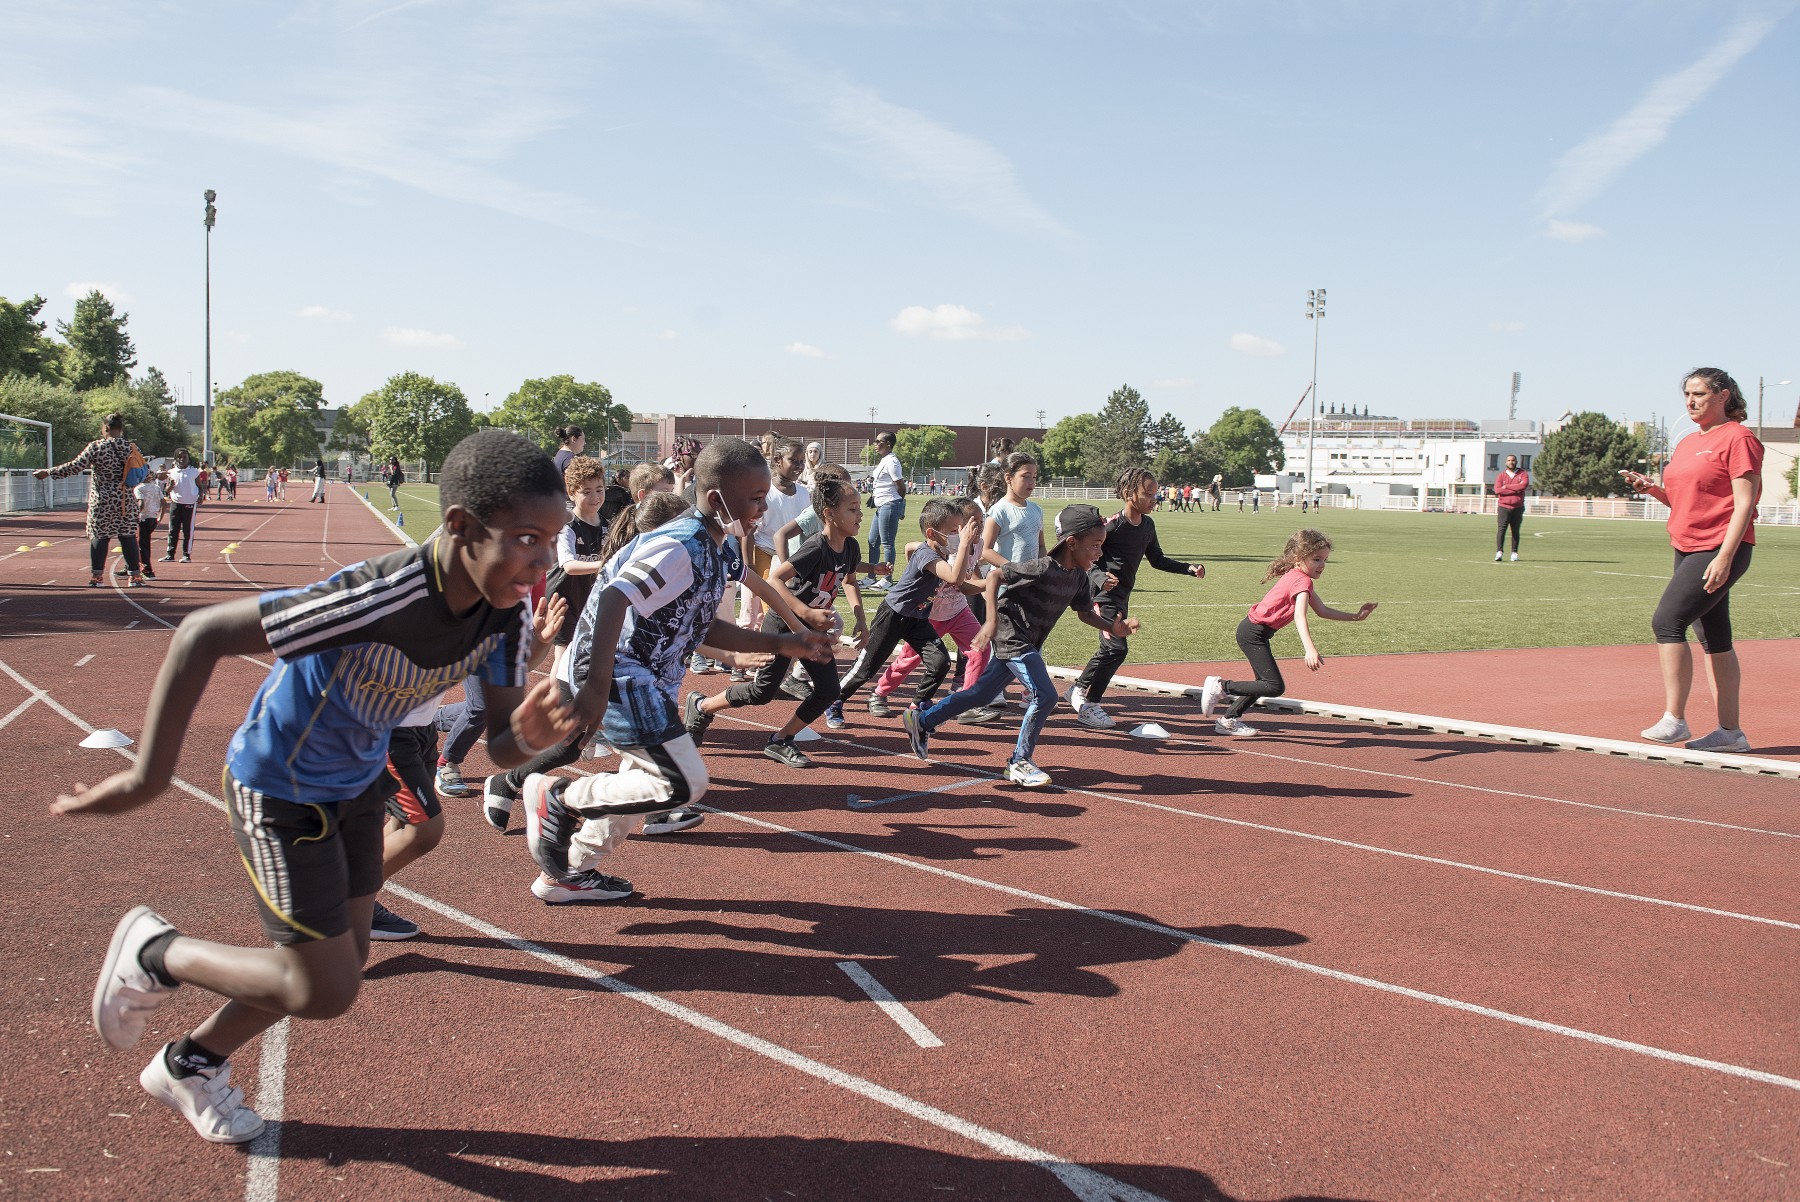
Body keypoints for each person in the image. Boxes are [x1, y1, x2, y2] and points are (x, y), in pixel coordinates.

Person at [55, 429, 579, 1145]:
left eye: (552, 540)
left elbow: (499, 740)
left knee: (340, 962)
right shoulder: (378, 598)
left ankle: (191, 1063)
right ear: (460, 527)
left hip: (357, 785)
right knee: (324, 990)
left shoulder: (506, 616)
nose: (543, 559)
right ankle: (156, 952)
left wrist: (533, 739)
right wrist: (150, 774)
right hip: (281, 787)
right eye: (526, 537)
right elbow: (202, 633)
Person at [504, 439, 835, 903]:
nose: (764, 508)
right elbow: (616, 597)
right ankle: (557, 799)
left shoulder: (719, 548)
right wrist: (597, 687)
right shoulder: (680, 544)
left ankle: (570, 872)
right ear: (718, 500)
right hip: (616, 671)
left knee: (640, 777)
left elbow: (704, 624)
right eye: (756, 499)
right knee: (683, 781)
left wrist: (786, 641)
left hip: (646, 677)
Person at [900, 504, 1133, 789]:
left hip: (1028, 641)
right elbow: (997, 576)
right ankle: (1019, 761)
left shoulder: (1078, 578)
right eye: (1095, 546)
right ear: (1072, 543)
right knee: (1045, 695)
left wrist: (1113, 627)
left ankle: (922, 721)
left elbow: (1084, 613)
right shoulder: (1042, 567)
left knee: (979, 694)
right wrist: (990, 622)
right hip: (1012, 636)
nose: (1098, 554)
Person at [1621, 367, 1763, 753]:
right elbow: (1686, 499)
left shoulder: (1739, 438)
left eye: (1699, 393)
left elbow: (1745, 503)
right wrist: (1653, 489)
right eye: (1687, 394)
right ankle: (1730, 733)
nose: (1690, 401)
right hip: (1686, 544)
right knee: (1713, 637)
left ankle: (1674, 719)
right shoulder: (1687, 442)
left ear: (1724, 396)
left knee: (1667, 622)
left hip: (1718, 547)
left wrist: (1725, 557)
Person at [686, 476, 868, 766]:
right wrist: (804, 613)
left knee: (828, 690)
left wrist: (860, 617)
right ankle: (702, 705)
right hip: (783, 626)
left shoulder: (850, 548)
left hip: (809, 631)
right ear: (829, 514)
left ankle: (781, 739)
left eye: (859, 508)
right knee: (762, 692)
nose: (860, 515)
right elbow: (775, 580)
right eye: (853, 509)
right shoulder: (815, 548)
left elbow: (849, 580)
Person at [1200, 528, 1378, 737]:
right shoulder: (1301, 580)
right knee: (1273, 686)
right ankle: (1221, 686)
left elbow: (1322, 611)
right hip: (1253, 633)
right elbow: (1299, 616)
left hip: (1255, 632)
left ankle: (1229, 720)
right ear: (1297, 558)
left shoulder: (1299, 577)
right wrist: (1309, 649)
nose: (1322, 565)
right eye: (1316, 559)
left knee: (1263, 684)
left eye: (1325, 560)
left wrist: (1356, 616)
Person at [1068, 467, 1207, 730]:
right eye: (1149, 494)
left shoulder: (1148, 526)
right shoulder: (1111, 526)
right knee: (1116, 649)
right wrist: (1098, 577)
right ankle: (1089, 705)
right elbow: (1083, 556)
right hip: (1100, 597)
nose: (1155, 499)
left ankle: (1079, 687)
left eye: (1156, 494)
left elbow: (1157, 560)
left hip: (1121, 598)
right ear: (1130, 493)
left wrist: (1187, 568)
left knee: (1110, 649)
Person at [826, 499, 972, 730]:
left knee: (940, 662)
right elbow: (955, 578)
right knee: (866, 669)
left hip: (918, 619)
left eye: (961, 530)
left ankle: (917, 709)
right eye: (954, 531)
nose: (959, 535)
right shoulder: (928, 555)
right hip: (893, 615)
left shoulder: (936, 550)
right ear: (932, 533)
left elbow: (916, 548)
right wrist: (964, 545)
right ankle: (834, 700)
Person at [868, 495, 991, 717]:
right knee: (909, 659)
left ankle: (966, 702)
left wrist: (986, 583)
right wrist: (994, 581)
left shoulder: (978, 544)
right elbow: (914, 549)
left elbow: (970, 579)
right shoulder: (948, 550)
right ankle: (880, 692)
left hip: (958, 610)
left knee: (980, 648)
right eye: (974, 522)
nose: (979, 527)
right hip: (931, 613)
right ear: (958, 527)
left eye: (982, 521)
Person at [35, 411, 146, 587]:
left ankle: (97, 577)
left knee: (100, 536)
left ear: (106, 428)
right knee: (128, 536)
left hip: (102, 501)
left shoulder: (96, 447)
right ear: (121, 429)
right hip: (125, 500)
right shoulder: (131, 448)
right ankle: (135, 576)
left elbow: (75, 466)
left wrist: (49, 472)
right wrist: (158, 476)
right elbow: (143, 471)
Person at [741, 437, 811, 635]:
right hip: (765, 553)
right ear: (778, 460)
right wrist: (749, 565)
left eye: (801, 461)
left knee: (787, 604)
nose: (799, 466)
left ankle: (781, 653)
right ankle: (765, 654)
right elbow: (749, 530)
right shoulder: (765, 492)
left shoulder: (804, 493)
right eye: (793, 460)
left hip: (793, 558)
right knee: (766, 606)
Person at [862, 431, 907, 589]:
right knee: (872, 541)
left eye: (878, 441)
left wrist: (900, 503)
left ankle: (887, 579)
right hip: (881, 505)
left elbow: (900, 486)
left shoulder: (892, 462)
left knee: (887, 543)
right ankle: (871, 576)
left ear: (888, 444)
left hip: (889, 503)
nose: (875, 444)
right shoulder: (884, 460)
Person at [156, 448, 201, 564]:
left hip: (190, 503)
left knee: (187, 530)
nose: (181, 459)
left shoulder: (194, 471)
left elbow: (199, 485)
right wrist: (170, 486)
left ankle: (186, 554)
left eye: (184, 457)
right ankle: (170, 554)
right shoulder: (172, 472)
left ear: (188, 458)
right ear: (175, 459)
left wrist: (201, 496)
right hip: (176, 503)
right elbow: (166, 490)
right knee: (172, 529)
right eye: (179, 457)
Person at [130, 467, 165, 582]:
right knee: (139, 543)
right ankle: (129, 566)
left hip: (143, 518)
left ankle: (147, 569)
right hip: (153, 518)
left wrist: (135, 516)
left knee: (142, 545)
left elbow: (141, 503)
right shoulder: (156, 487)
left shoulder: (139, 488)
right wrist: (160, 517)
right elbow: (164, 503)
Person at [1493, 454, 1529, 561]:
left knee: (1515, 530)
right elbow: (1497, 490)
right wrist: (1515, 489)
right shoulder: (1501, 476)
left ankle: (1514, 553)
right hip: (1504, 507)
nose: (1511, 462)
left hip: (1518, 507)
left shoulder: (1523, 474)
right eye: (1509, 460)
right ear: (1505, 462)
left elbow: (1523, 486)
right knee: (1502, 529)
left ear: (1516, 462)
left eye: (1513, 460)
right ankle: (1499, 552)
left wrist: (1507, 487)